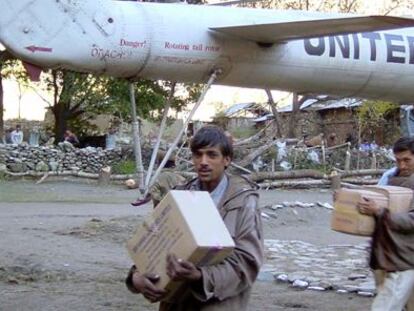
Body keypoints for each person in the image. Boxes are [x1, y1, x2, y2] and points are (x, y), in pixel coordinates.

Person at [126, 125, 264, 310]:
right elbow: (152, 247)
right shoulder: (180, 197)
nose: (203, 161)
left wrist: (201, 276)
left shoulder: (242, 202)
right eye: (198, 155)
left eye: (212, 155)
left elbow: (246, 265)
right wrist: (136, 277)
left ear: (227, 160)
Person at [357, 136, 414, 311]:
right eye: (398, 160)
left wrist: (380, 211)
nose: (402, 165)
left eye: (407, 160)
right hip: (384, 254)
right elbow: (371, 203)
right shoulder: (388, 178)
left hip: (405, 258)